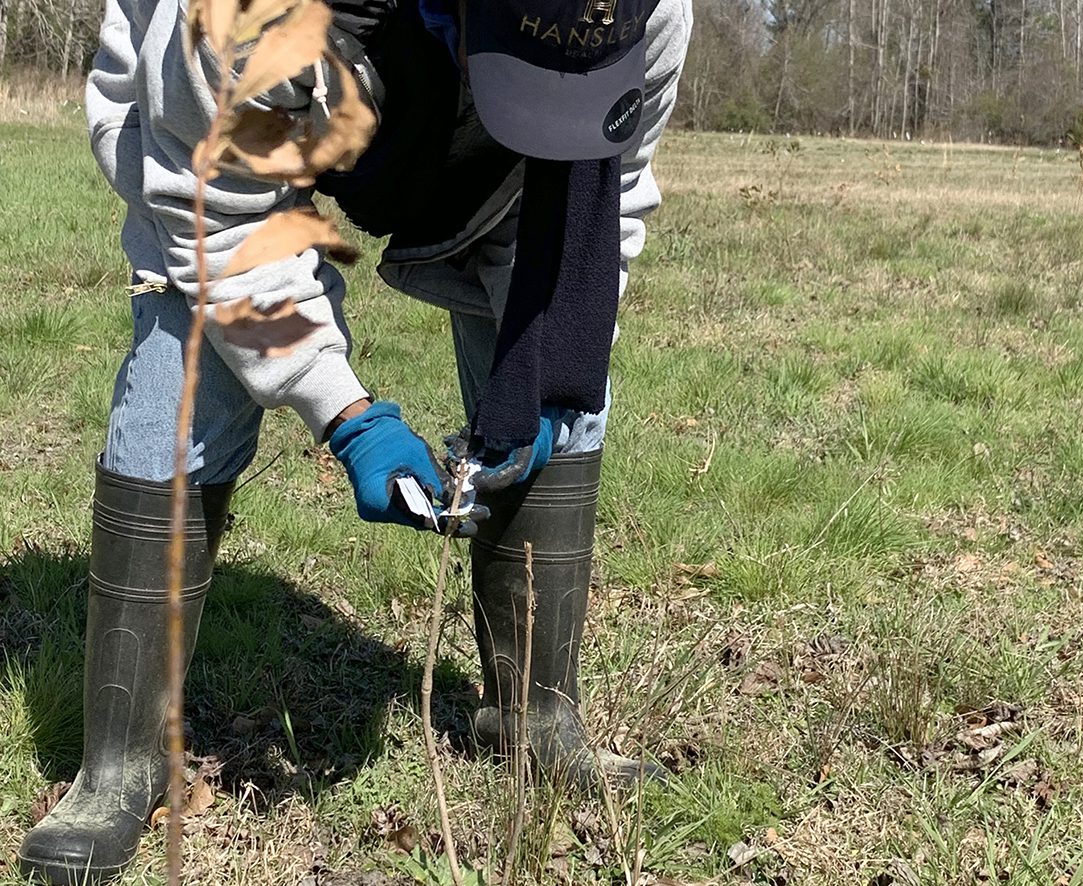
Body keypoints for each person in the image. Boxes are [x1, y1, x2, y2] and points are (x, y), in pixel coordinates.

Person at [16, 0, 692, 882]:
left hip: (480, 134)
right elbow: (217, 223)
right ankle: (121, 763)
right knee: (188, 368)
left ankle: (536, 718)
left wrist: (550, 379)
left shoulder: (650, 15)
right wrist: (347, 414)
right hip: (216, 131)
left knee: (562, 351)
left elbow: (605, 201)